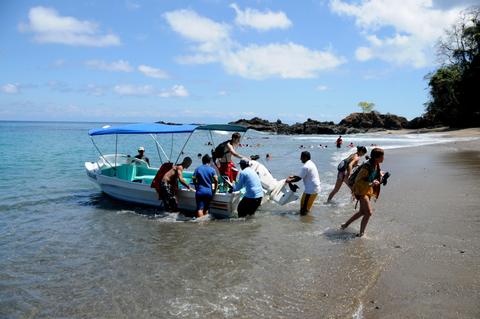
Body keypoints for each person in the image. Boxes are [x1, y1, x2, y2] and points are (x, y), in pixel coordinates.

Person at [341, 148, 385, 237]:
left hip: (367, 190)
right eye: (382, 156)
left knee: (362, 212)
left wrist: (380, 174)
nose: (383, 158)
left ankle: (345, 225)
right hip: (360, 190)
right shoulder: (366, 167)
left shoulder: (375, 164)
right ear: (377, 158)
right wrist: (371, 183)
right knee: (368, 212)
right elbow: (358, 181)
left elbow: (373, 174)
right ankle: (361, 233)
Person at [286, 151, 321, 215]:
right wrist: (293, 176)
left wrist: (289, 181)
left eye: (301, 157)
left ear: (305, 157)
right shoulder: (311, 163)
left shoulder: (305, 167)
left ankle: (305, 223)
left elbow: (298, 179)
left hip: (311, 190)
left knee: (303, 210)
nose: (300, 159)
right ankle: (307, 220)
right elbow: (302, 176)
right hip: (315, 188)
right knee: (305, 207)